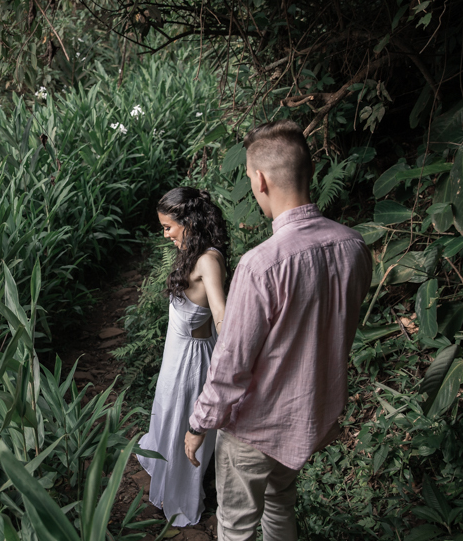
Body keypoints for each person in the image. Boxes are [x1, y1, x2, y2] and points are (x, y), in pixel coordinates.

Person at [182, 120, 372, 541]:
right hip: (307, 419)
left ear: (261, 179)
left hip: (255, 427)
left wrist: (198, 425)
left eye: (250, 178)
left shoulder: (262, 264)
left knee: (236, 524)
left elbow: (231, 364)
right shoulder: (354, 246)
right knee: (281, 508)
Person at [137, 186, 229, 527]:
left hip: (192, 361)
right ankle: (164, 471)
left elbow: (221, 313)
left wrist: (234, 351)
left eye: (168, 227)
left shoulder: (207, 260)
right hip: (174, 356)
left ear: (188, 222)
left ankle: (181, 493)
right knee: (168, 413)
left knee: (182, 421)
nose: (165, 235)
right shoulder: (188, 250)